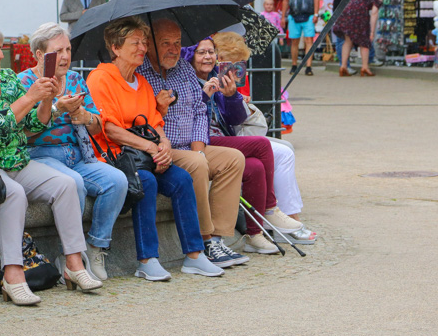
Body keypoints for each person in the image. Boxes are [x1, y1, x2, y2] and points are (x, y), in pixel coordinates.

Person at [0, 24, 102, 305]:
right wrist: (32, 96)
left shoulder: (8, 78)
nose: (1, 54)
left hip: (18, 160)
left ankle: (74, 265)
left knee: (66, 183)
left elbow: (34, 123)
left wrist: (47, 100)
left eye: (0, 47)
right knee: (15, 194)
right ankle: (13, 276)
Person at [86, 17, 222, 279]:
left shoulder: (141, 82)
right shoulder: (101, 78)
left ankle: (194, 255)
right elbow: (110, 129)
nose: (142, 48)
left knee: (182, 179)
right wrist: (151, 148)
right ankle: (147, 259)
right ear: (115, 48)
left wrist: (164, 146)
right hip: (116, 157)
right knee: (146, 181)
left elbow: (156, 122)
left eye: (144, 42)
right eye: (135, 42)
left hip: (144, 155)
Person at [18, 23, 128, 281]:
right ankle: (70, 257)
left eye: (68, 49)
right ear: (39, 55)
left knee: (117, 180)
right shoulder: (23, 81)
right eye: (58, 51)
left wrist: (83, 115)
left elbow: (98, 124)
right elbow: (23, 132)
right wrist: (57, 107)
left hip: (79, 155)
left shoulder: (77, 79)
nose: (66, 56)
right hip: (41, 155)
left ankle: (96, 246)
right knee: (74, 183)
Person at [136, 19, 249, 268]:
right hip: (165, 148)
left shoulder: (184, 70)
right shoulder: (141, 72)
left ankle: (218, 238)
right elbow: (139, 121)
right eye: (166, 43)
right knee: (197, 164)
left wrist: (199, 147)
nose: (173, 49)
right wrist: (159, 109)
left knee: (234, 159)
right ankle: (205, 241)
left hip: (192, 145)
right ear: (150, 44)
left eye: (177, 43)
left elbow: (200, 109)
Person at [187, 37, 305, 253]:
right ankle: (270, 208)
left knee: (254, 167)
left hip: (220, 138)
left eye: (211, 52)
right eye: (201, 53)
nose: (208, 57)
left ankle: (255, 234)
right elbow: (187, 119)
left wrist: (232, 96)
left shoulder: (217, 76)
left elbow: (236, 120)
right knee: (262, 145)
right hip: (199, 140)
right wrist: (204, 97)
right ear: (190, 55)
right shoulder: (186, 80)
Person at [212, 31, 317, 240]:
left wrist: (235, 96)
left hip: (233, 133)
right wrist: (227, 96)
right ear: (221, 60)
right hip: (222, 137)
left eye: (240, 64)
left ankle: (288, 216)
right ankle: (278, 214)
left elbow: (236, 117)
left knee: (285, 150)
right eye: (234, 63)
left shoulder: (230, 78)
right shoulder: (209, 76)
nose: (238, 69)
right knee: (274, 150)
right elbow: (225, 119)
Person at [333, 0, 384, 77]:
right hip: (360, 16)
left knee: (347, 41)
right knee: (364, 42)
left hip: (346, 14)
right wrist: (372, 32)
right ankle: (365, 67)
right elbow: (374, 13)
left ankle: (343, 66)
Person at [282, 0, 320, 76]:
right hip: (294, 15)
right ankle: (294, 65)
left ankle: (308, 66)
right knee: (294, 41)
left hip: (308, 15)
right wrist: (283, 16)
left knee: (309, 40)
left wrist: (316, 14)